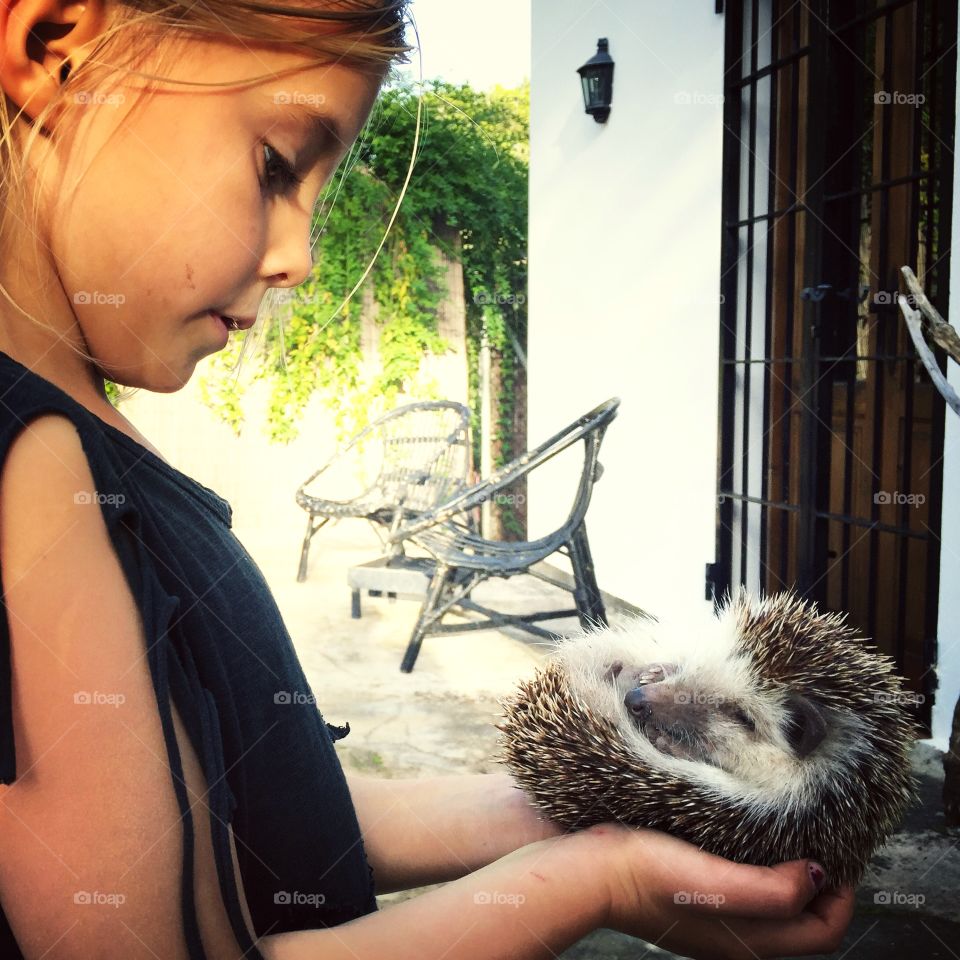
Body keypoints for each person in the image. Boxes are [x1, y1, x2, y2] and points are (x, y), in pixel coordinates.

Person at [0, 1, 856, 958]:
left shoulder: (77, 442)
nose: (301, 259)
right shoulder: (32, 473)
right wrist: (595, 881)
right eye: (276, 164)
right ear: (54, 46)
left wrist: (593, 808)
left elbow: (271, 813)